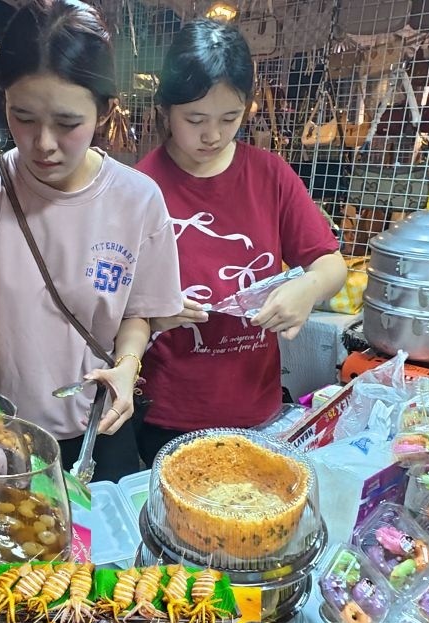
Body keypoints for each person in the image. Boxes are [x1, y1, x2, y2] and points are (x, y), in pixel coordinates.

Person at [0, 0, 183, 481]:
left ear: (104, 110)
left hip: (99, 428)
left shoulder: (138, 199)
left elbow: (137, 313)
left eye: (67, 124)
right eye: (23, 117)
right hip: (2, 434)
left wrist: (127, 366)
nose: (43, 143)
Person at [133, 20, 347, 466]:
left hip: (255, 409)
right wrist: (152, 315)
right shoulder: (138, 187)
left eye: (229, 119)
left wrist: (307, 288)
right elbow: (109, 303)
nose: (212, 135)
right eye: (195, 120)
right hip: (165, 413)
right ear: (165, 109)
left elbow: (331, 264)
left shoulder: (269, 175)